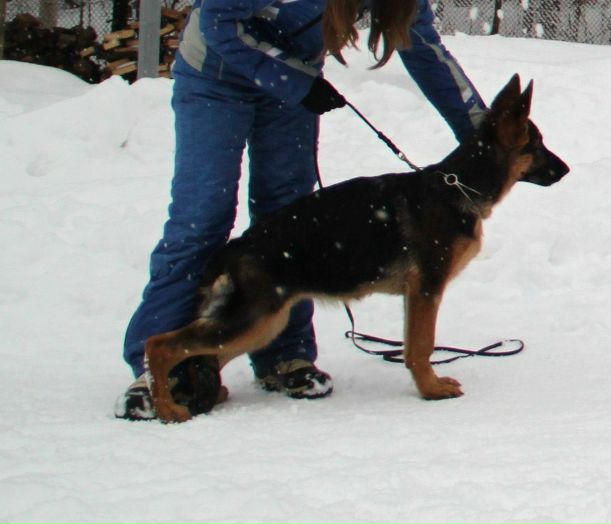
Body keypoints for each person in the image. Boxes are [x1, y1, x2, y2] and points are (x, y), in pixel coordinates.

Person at [114, 0, 487, 420]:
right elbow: (218, 19)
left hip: (291, 89)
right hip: (215, 78)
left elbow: (426, 52)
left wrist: (488, 136)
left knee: (291, 222)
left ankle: (283, 356)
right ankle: (151, 369)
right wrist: (292, 80)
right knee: (202, 218)